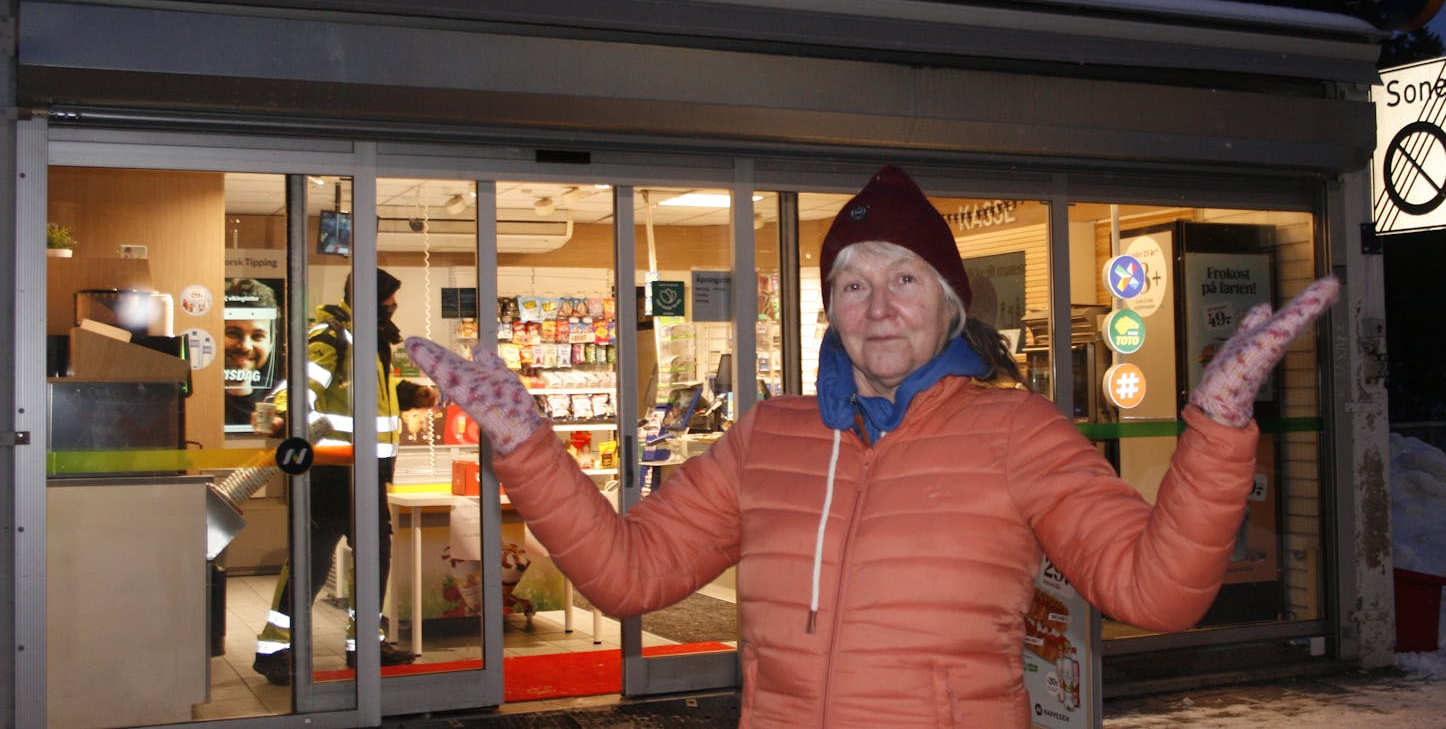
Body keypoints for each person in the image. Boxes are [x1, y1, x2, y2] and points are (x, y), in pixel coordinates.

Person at [406, 165, 1339, 726]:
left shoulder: (1017, 431)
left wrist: (1217, 432)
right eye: (854, 284)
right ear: (832, 309)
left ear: (950, 306)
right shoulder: (770, 435)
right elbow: (628, 572)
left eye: (906, 279)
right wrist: (529, 446)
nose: (880, 306)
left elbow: (1156, 591)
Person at [251, 268, 421, 685]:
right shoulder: (333, 336)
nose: (392, 307)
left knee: (374, 559)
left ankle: (365, 645)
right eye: (387, 300)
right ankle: (274, 650)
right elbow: (302, 388)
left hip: (367, 474)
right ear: (366, 297)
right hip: (332, 473)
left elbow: (366, 399)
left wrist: (414, 395)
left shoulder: (370, 339)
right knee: (311, 561)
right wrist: (285, 417)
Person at [223, 278, 280, 430]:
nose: (245, 347)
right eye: (233, 333)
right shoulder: (197, 395)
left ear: (271, 343)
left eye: (257, 336)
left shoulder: (283, 397)